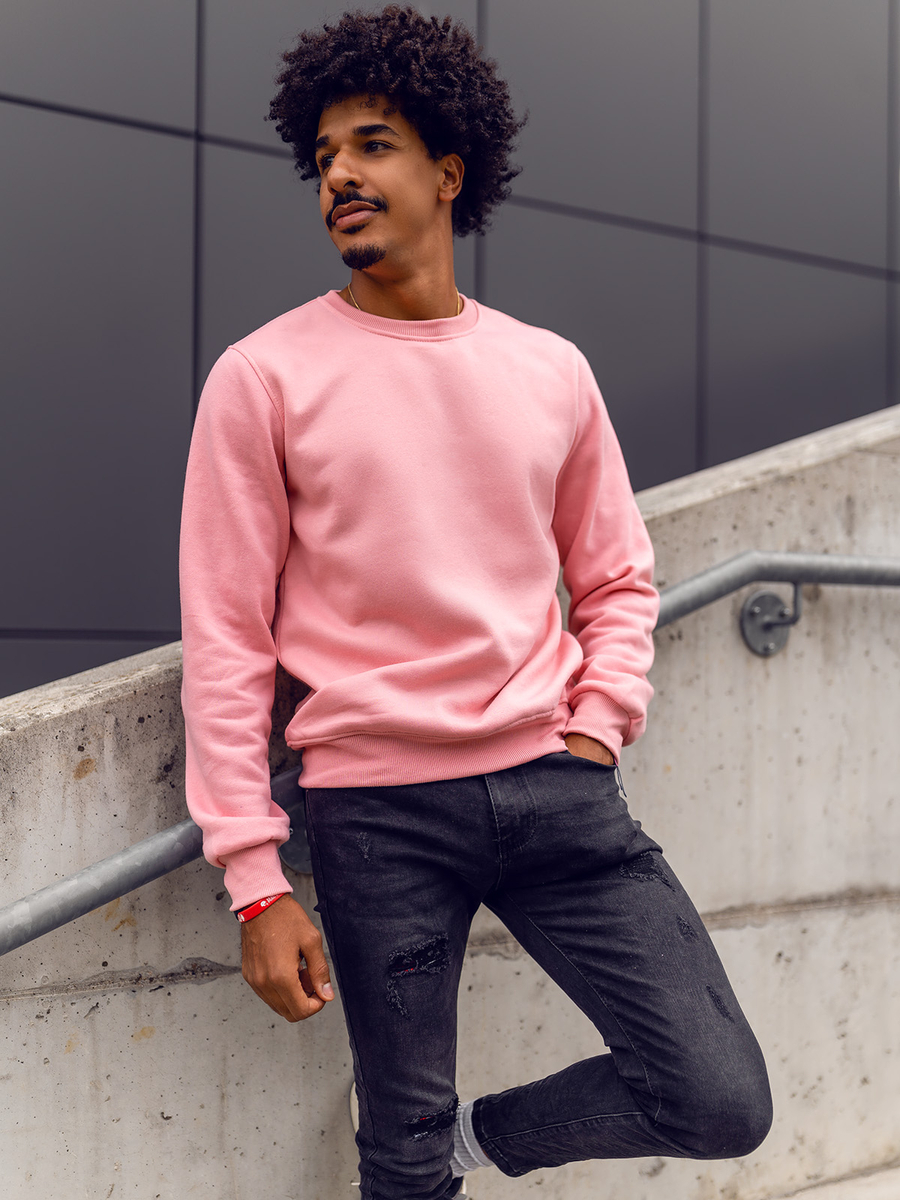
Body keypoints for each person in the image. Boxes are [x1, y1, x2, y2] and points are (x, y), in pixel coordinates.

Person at [179, 6, 772, 1197]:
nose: (340, 175)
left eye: (374, 144)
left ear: (449, 172)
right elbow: (228, 637)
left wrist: (599, 722)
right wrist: (255, 880)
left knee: (718, 1096)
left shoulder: (549, 370)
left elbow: (617, 574)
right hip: (377, 814)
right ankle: (416, 1150)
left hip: (559, 792)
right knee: (397, 1163)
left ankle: (472, 1140)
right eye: (325, 155)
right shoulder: (263, 377)